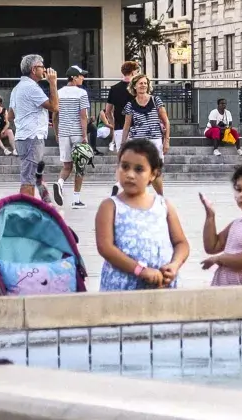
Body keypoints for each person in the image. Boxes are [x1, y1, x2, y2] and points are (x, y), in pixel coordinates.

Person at [95, 139, 189, 290]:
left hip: (162, 287)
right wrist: (140, 270)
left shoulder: (163, 205)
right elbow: (105, 247)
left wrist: (174, 265)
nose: (130, 174)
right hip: (122, 289)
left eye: (139, 169)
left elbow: (181, 243)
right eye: (125, 167)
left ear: (153, 174)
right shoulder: (110, 206)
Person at [119, 75, 171, 194]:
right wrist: (123, 143)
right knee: (138, 169)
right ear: (134, 86)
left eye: (145, 83)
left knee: (155, 171)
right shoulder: (130, 105)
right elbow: (126, 126)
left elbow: (166, 121)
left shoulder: (155, 100)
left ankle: (160, 197)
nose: (143, 85)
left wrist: (166, 140)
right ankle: (139, 197)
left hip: (154, 141)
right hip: (137, 142)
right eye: (140, 83)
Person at [51, 66, 92, 208]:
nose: (83, 78)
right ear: (74, 77)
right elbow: (83, 116)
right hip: (77, 133)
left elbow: (54, 115)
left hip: (63, 132)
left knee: (67, 165)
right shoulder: (81, 93)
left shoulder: (58, 93)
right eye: (81, 76)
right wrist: (84, 135)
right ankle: (76, 199)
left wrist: (56, 133)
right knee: (80, 166)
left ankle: (59, 183)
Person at [103, 61, 140, 153]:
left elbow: (108, 111)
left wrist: (113, 123)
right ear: (133, 72)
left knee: (122, 158)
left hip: (119, 127)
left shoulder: (114, 89)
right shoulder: (137, 88)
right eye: (137, 71)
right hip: (137, 127)